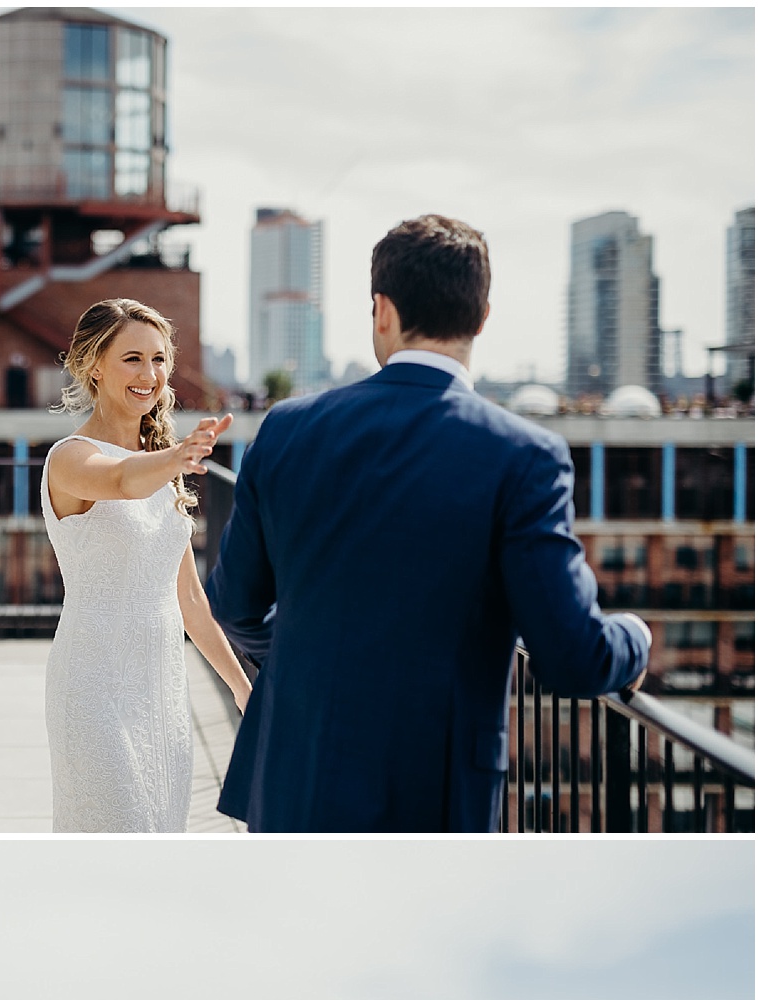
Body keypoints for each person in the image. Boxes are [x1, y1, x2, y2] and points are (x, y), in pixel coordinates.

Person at [208, 213, 651, 831]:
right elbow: (574, 656)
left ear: (381, 310)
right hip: (430, 797)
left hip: (293, 775)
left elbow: (232, 606)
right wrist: (636, 637)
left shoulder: (286, 428)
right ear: (483, 316)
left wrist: (308, 654)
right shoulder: (524, 455)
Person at [40, 297, 250, 831]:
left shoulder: (162, 467)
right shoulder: (70, 457)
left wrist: (242, 686)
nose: (149, 374)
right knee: (115, 836)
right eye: (132, 358)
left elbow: (190, 600)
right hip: (94, 683)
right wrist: (177, 456)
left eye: (159, 360)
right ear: (94, 364)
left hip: (161, 689)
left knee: (158, 836)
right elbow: (119, 481)